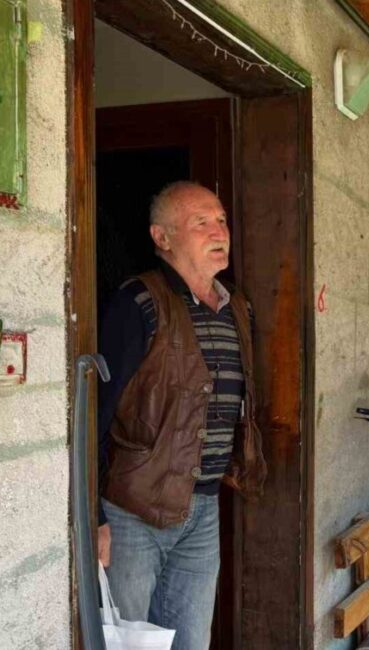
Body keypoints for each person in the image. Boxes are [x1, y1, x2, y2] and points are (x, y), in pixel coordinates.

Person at [95, 181, 266, 650]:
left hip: (203, 506)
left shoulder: (237, 308)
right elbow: (96, 409)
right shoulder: (139, 304)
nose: (219, 231)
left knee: (192, 640)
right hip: (133, 510)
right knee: (127, 641)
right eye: (201, 222)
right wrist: (92, 513)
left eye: (222, 220)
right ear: (162, 237)